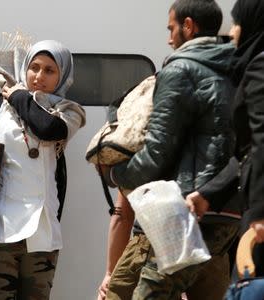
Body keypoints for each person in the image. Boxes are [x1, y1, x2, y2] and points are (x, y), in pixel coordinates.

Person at [101, 0, 240, 299]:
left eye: (171, 28)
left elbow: (159, 148)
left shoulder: (181, 69)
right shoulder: (238, 68)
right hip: (228, 210)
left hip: (186, 208)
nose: (168, 38)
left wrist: (117, 175)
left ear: (188, 26)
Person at [0, 40, 85, 299]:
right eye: (34, 67)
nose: (39, 76)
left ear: (62, 76)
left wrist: (18, 95)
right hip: (0, 231)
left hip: (43, 235)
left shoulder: (66, 112)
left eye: (49, 70)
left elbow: (46, 129)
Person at [186, 0, 264, 277]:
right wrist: (209, 193)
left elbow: (261, 142)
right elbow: (249, 152)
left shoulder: (260, 67)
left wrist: (259, 212)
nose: (231, 32)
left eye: (236, 22)